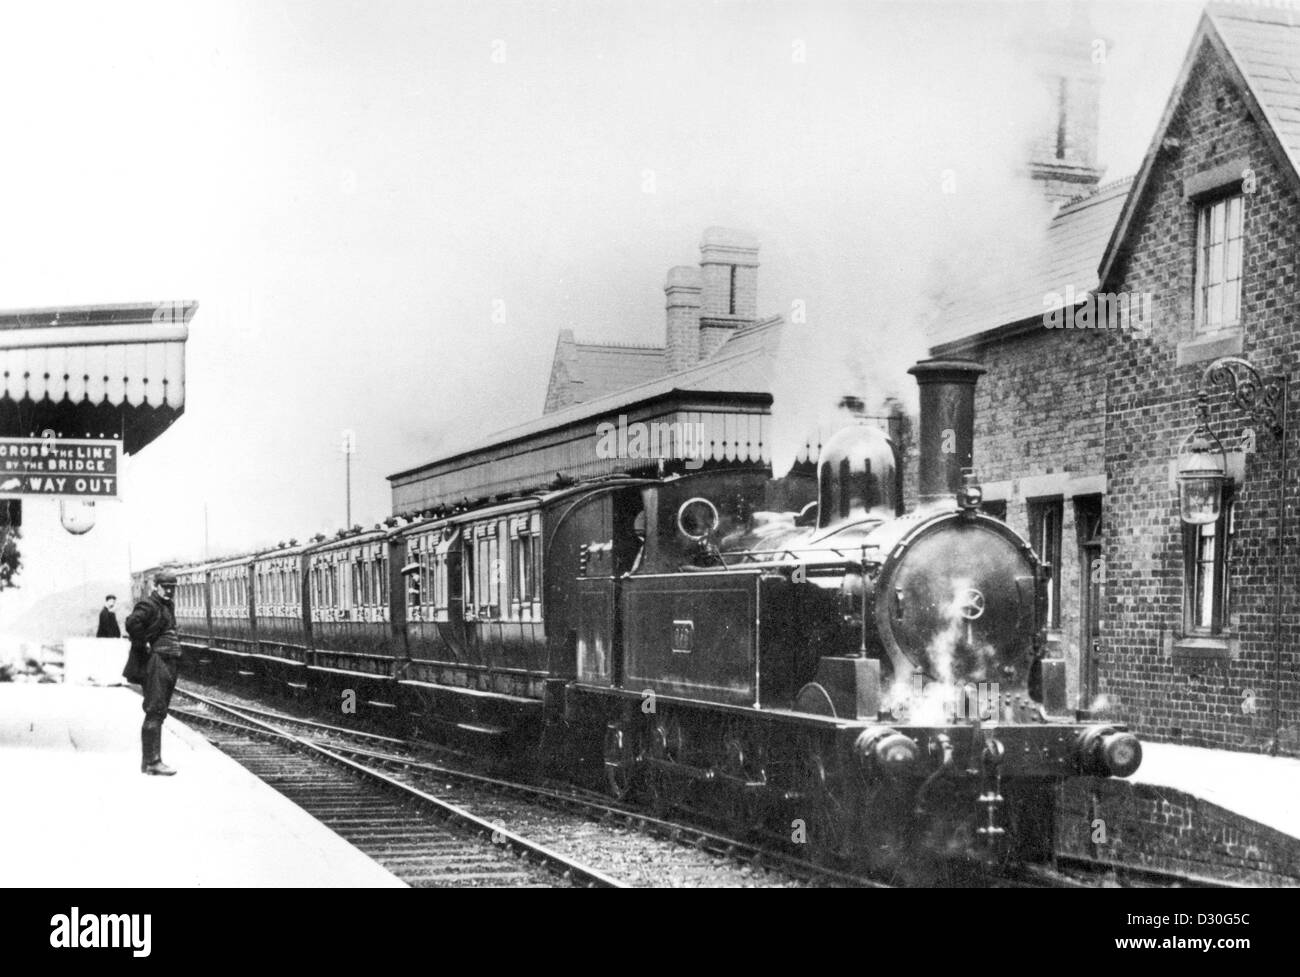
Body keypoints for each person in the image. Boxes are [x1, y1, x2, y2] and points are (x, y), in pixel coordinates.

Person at [125, 572, 181, 776]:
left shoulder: (167, 605)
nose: (169, 590)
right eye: (165, 586)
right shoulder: (149, 604)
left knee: (159, 711)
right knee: (155, 710)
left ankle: (149, 762)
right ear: (155, 586)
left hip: (168, 661)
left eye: (172, 587)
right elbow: (132, 622)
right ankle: (152, 762)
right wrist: (144, 644)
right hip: (156, 662)